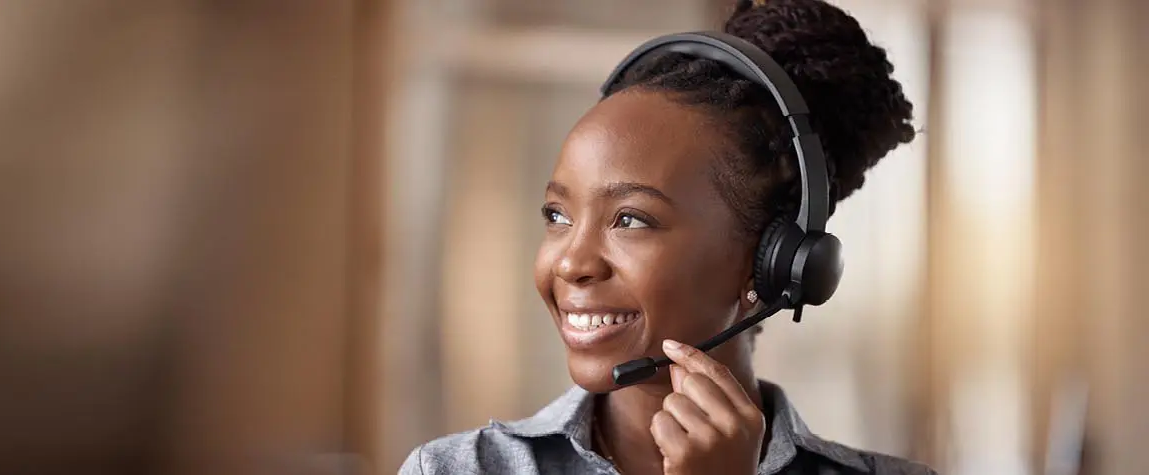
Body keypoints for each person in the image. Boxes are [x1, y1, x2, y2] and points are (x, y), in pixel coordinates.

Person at [397, 0, 932, 474]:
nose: (570, 263)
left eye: (629, 219)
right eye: (557, 214)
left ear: (769, 260)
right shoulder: (455, 469)